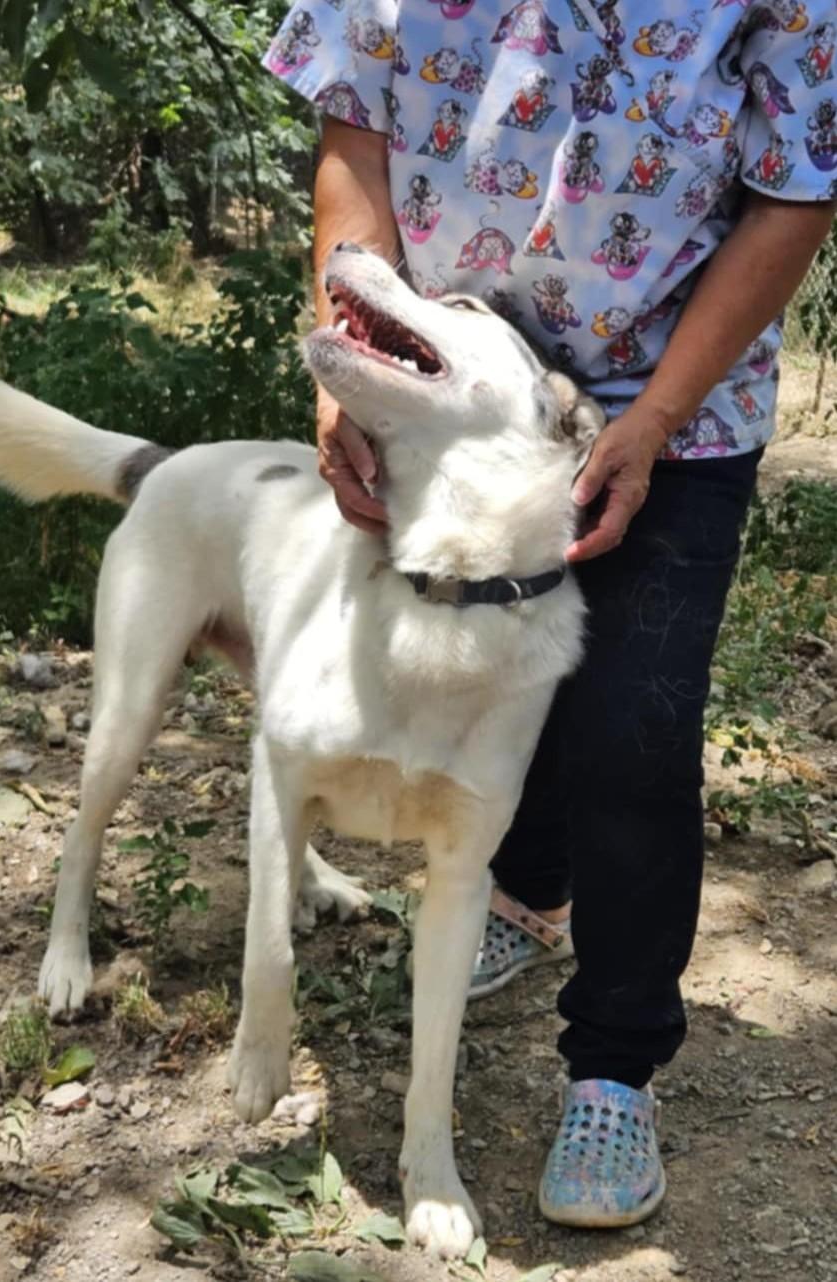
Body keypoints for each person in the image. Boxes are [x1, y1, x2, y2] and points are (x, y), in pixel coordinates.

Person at [263, 0, 835, 1228]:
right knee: (474, 680)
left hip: (666, 403)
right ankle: (523, 889)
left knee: (630, 721)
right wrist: (355, 360)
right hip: (450, 394)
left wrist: (658, 417)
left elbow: (795, 190)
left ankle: (615, 1061)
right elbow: (353, 130)